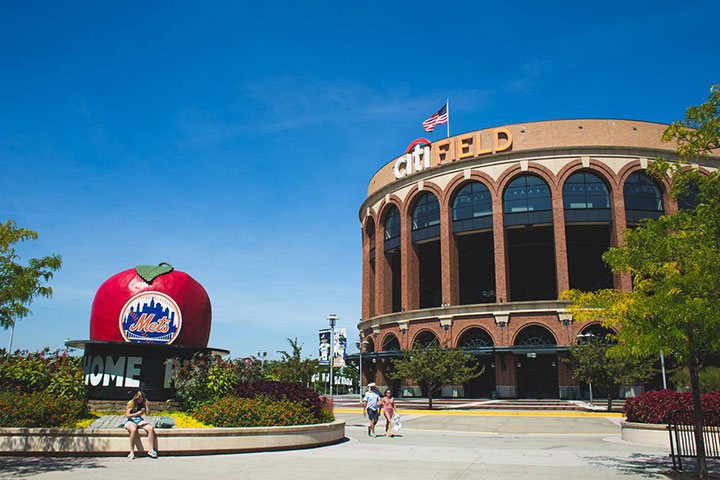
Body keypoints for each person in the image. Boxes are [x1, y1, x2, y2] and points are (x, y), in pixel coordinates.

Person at [125, 391, 158, 459]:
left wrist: (146, 405)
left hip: (139, 420)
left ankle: (151, 450)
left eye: (141, 399)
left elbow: (147, 414)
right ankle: (131, 451)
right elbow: (127, 415)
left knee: (150, 428)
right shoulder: (131, 403)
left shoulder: (143, 403)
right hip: (131, 420)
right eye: (138, 399)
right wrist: (136, 414)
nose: (140, 400)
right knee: (133, 430)